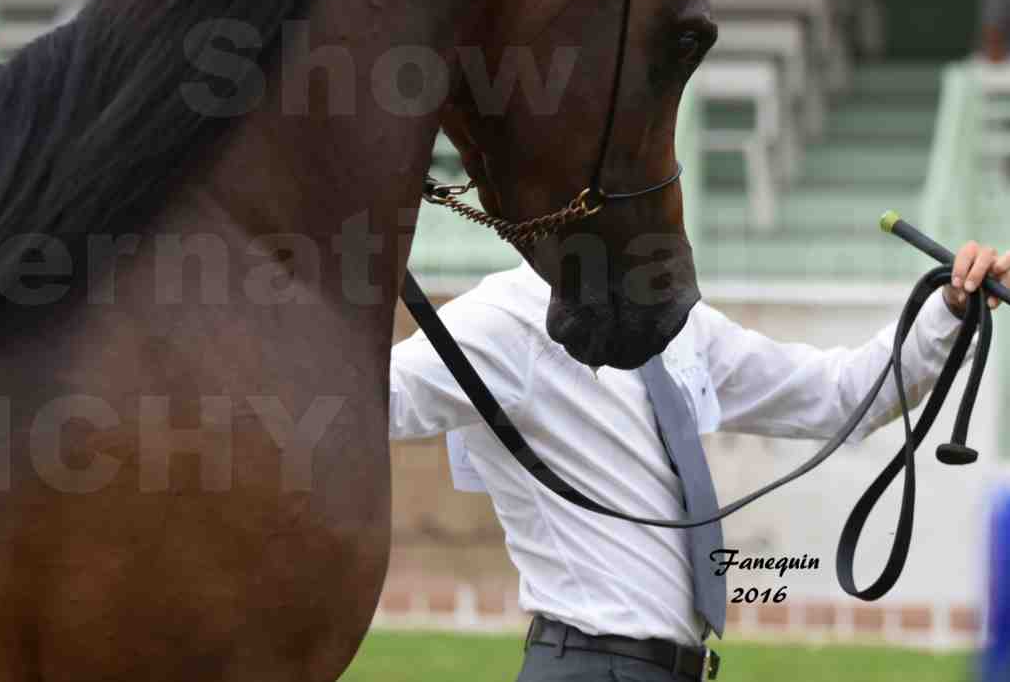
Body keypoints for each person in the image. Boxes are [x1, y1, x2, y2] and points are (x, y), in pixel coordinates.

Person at [389, 241, 1010, 682]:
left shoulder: (672, 321)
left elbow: (839, 396)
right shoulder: (499, 322)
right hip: (587, 664)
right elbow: (374, 401)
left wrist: (948, 308)